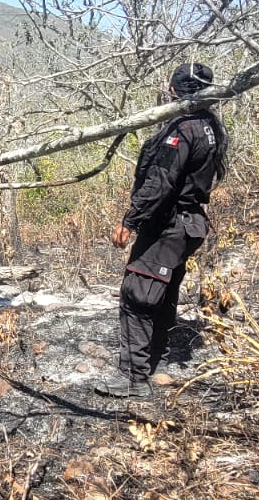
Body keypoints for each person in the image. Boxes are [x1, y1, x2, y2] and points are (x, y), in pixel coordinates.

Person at [98, 63, 229, 398]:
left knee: (138, 295)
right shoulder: (210, 124)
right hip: (188, 224)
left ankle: (133, 378)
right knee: (163, 292)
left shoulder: (183, 129)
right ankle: (154, 363)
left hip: (170, 224)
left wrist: (131, 220)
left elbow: (161, 181)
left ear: (173, 90)